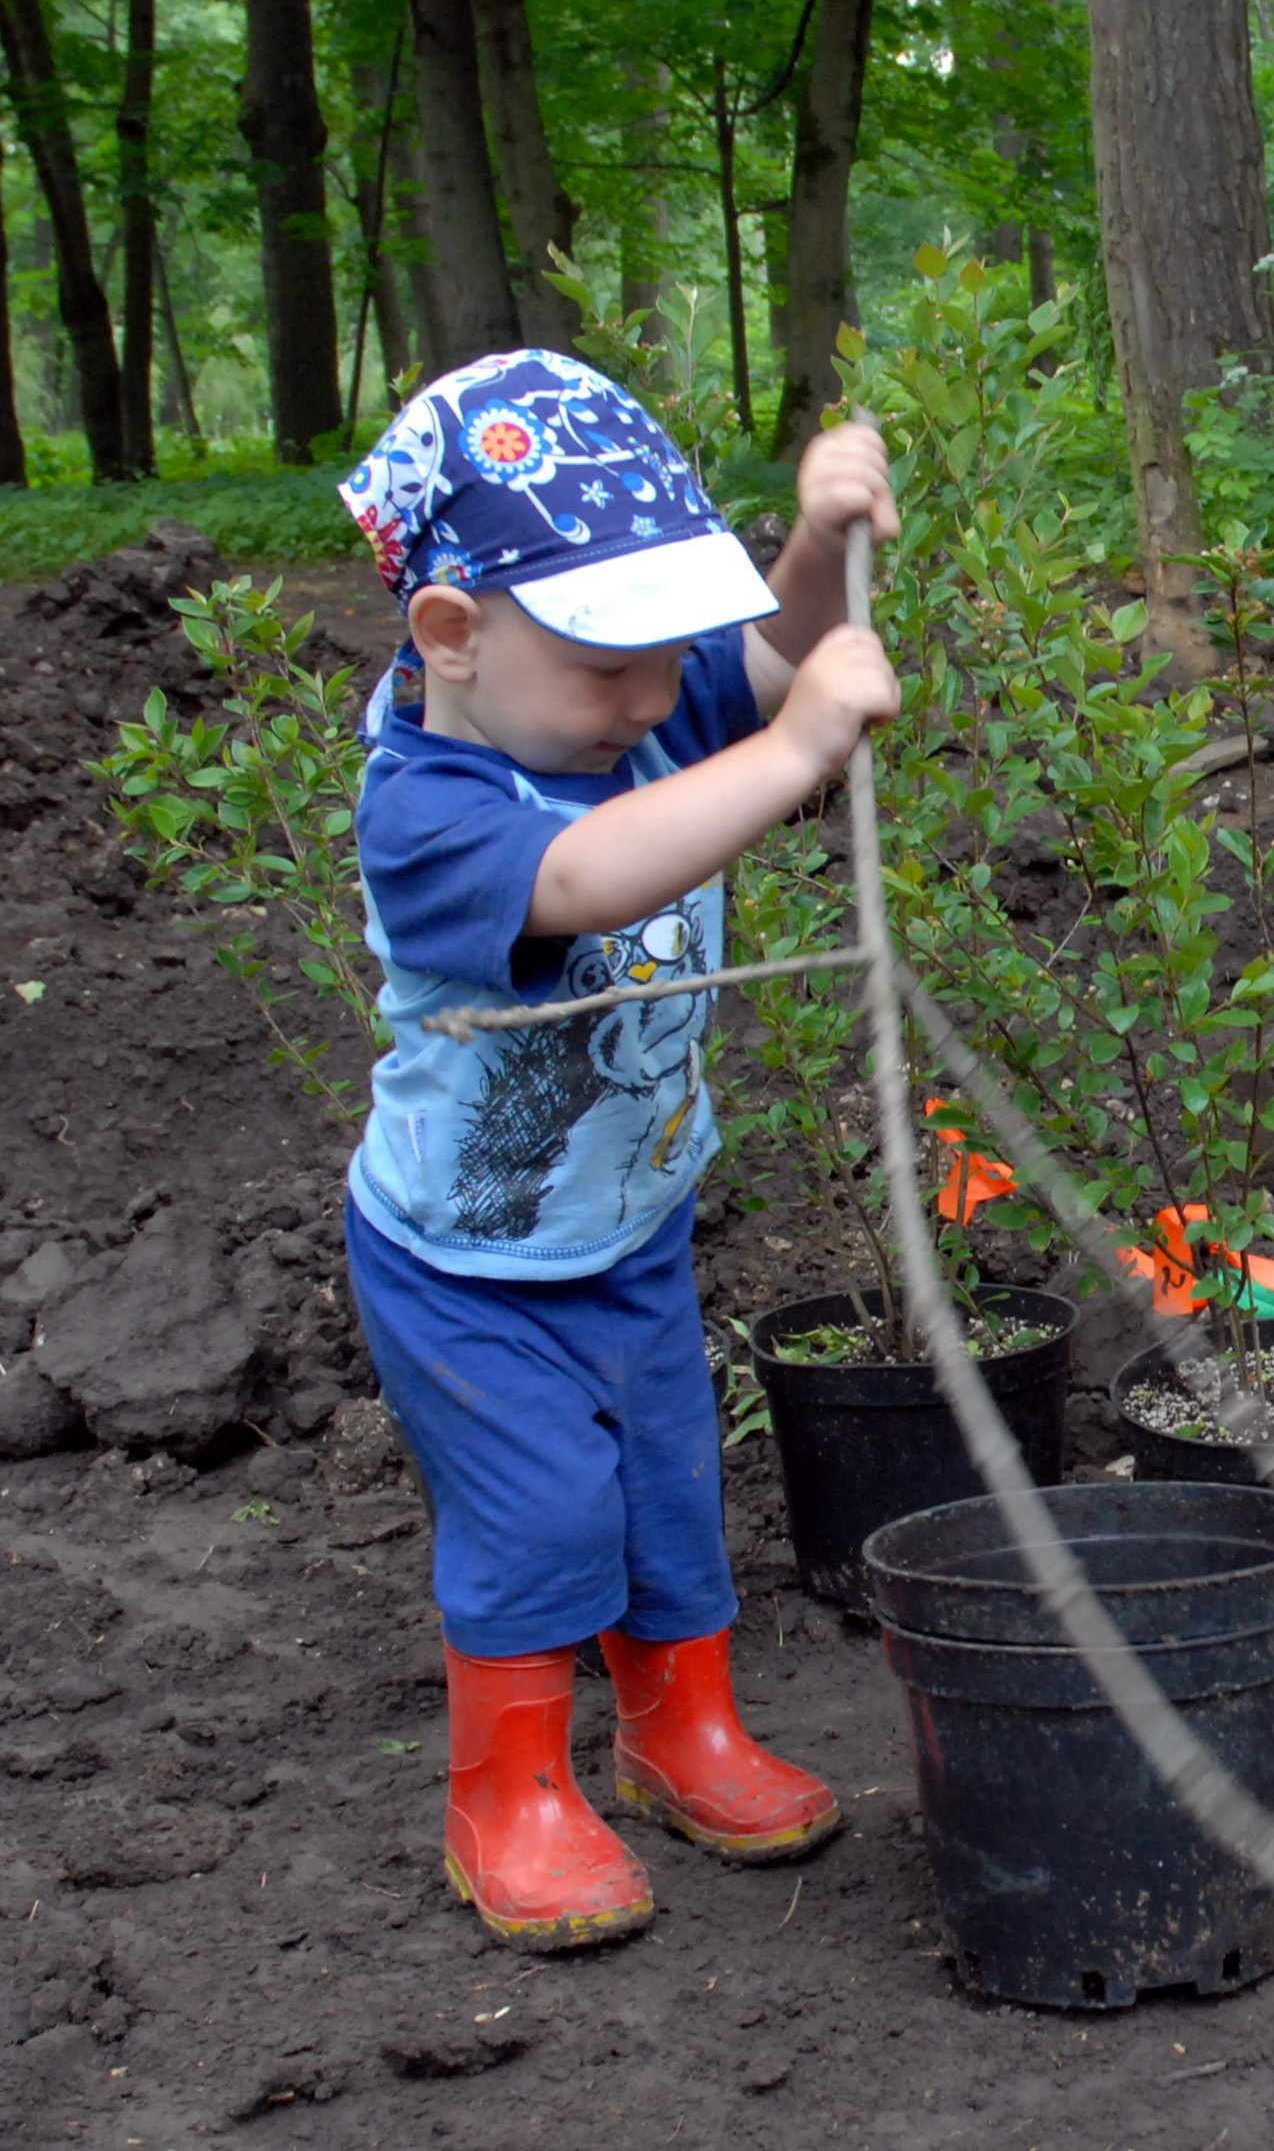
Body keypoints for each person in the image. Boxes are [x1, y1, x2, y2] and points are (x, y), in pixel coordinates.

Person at [336, 351, 903, 1947]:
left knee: (667, 1485)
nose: (658, 699)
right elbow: (585, 880)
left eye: (667, 654)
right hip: (466, 1267)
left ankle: (678, 1731)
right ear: (452, 634)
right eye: (612, 664)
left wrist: (811, 539)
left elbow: (762, 650)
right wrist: (793, 754)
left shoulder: (620, 699)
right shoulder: (432, 805)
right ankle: (504, 1792)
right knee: (538, 1514)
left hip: (631, 1224)